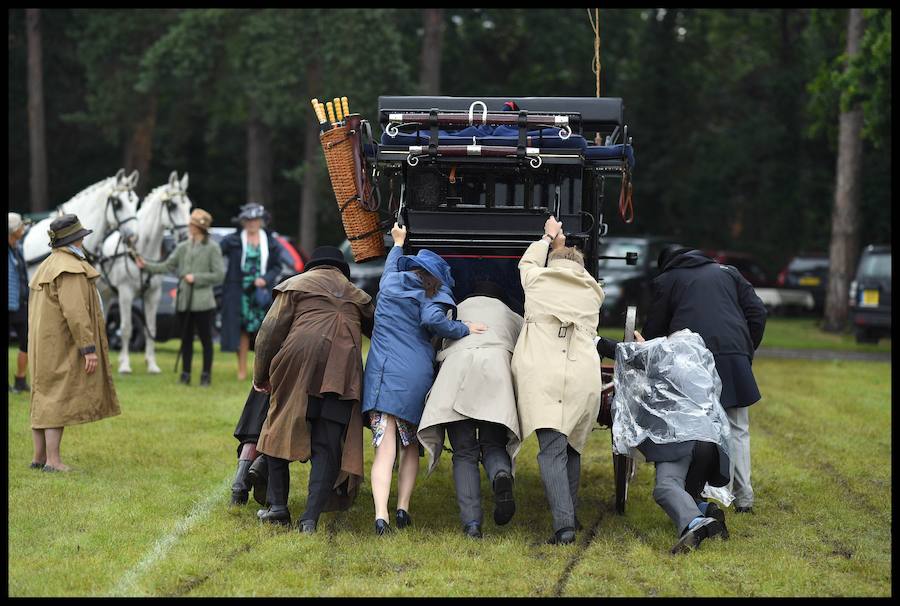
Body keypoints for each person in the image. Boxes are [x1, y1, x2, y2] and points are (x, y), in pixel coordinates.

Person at [598, 245, 767, 514]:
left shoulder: (669, 279)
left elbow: (655, 329)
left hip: (691, 361)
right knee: (737, 427)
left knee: (696, 424)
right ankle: (743, 499)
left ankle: (694, 489)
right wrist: (744, 349)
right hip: (734, 353)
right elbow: (757, 313)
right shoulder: (729, 273)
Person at [362, 223, 486, 536]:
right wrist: (464, 329)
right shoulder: (433, 293)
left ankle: (381, 516)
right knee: (410, 447)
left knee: (383, 448)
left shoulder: (389, 281)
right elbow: (432, 320)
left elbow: (392, 261)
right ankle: (402, 508)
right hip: (413, 377)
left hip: (379, 375)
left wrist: (398, 242)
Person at [251, 246, 374, 532]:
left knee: (278, 429)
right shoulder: (358, 297)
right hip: (343, 373)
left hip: (298, 365)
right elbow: (383, 333)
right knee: (327, 446)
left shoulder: (295, 286)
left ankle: (279, 508)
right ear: (341, 272)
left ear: (312, 268)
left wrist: (260, 375)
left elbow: (268, 335)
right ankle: (309, 520)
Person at [511, 215, 605, 545]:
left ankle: (563, 527)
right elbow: (577, 275)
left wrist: (548, 239)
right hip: (583, 375)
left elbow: (527, 263)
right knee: (572, 447)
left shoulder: (538, 281)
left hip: (544, 373)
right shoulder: (593, 293)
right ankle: (570, 514)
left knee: (551, 450)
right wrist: (566, 253)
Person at [607, 329, 731, 554]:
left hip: (681, 439)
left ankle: (695, 523)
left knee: (666, 487)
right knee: (686, 490)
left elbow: (624, 353)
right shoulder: (702, 367)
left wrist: (595, 341)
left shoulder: (666, 357)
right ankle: (707, 509)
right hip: (709, 443)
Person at [418, 280, 524, 538]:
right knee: (493, 445)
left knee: (464, 453)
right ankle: (500, 474)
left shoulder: (455, 309)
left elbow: (434, 345)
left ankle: (472, 525)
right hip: (495, 375)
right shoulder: (512, 316)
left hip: (457, 375)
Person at [27, 214, 121, 472]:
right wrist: (88, 349)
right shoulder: (69, 267)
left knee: (43, 395)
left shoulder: (49, 264)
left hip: (43, 344)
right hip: (61, 344)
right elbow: (77, 313)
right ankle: (53, 461)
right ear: (76, 239)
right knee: (57, 396)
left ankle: (39, 457)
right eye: (81, 236)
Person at [136, 208, 225, 386]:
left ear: (200, 228)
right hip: (184, 300)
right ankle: (186, 374)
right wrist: (146, 266)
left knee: (206, 339)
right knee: (185, 339)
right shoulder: (183, 246)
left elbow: (219, 275)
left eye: (192, 225)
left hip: (203, 302)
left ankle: (206, 375)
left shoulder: (212, 248)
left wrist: (197, 278)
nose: (189, 227)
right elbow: (167, 266)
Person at [219, 203, 286, 381]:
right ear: (243, 222)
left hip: (261, 292)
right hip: (239, 292)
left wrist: (265, 278)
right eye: (248, 220)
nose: (251, 223)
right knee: (241, 331)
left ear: (261, 221)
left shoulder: (271, 242)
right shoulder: (233, 240)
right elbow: (217, 253)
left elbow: (277, 266)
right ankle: (241, 369)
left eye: (255, 220)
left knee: (263, 332)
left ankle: (261, 369)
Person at [9, 212, 32, 393]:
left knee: (27, 340)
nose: (23, 229)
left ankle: (20, 380)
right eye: (21, 227)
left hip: (20, 304)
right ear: (13, 230)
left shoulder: (19, 248)